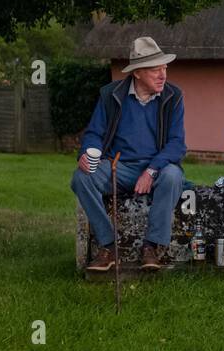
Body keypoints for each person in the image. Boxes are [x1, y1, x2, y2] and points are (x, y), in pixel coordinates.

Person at [72, 37, 186, 272]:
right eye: (155, 69)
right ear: (137, 73)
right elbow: (94, 133)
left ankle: (151, 246)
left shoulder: (173, 96)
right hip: (119, 167)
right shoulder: (111, 95)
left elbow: (177, 144)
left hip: (158, 167)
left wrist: (151, 170)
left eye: (164, 68)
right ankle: (108, 246)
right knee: (81, 178)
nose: (163, 75)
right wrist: (86, 154)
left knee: (173, 176)